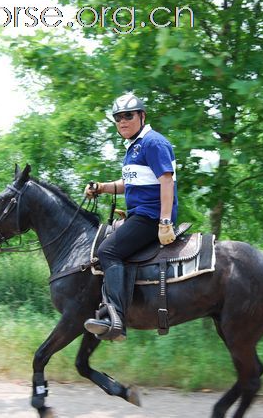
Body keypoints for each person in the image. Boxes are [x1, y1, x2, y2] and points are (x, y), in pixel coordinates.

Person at [83, 93, 178, 341]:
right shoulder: (134, 147)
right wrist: (102, 187)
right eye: (118, 117)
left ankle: (115, 318)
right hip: (139, 214)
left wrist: (165, 221)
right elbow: (131, 183)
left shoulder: (153, 143)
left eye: (128, 115)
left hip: (150, 217)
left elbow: (166, 181)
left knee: (107, 251)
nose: (122, 121)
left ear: (142, 116)